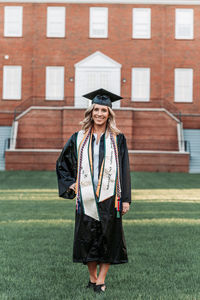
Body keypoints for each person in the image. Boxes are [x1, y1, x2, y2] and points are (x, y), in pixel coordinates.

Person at [56, 88, 131, 293]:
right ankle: (92, 278)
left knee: (109, 237)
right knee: (87, 238)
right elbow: (63, 163)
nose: (99, 114)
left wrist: (125, 199)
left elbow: (124, 169)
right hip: (87, 196)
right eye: (96, 110)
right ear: (90, 112)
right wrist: (71, 184)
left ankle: (101, 280)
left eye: (103, 111)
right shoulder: (78, 138)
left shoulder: (118, 139)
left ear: (109, 114)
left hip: (109, 196)